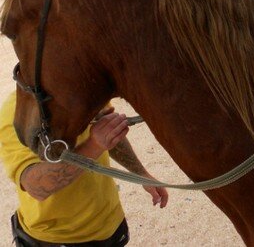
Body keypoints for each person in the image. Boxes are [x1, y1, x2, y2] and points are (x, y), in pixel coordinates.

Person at [0, 91, 169, 246]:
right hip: (55, 239)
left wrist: (140, 174)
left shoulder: (83, 88)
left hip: (111, 226)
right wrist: (94, 145)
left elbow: (108, 133)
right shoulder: (15, 112)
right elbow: (37, 187)